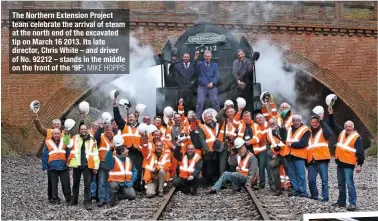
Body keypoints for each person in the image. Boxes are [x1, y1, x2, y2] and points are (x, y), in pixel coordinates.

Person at [328, 107, 364, 211]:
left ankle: (353, 203)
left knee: (349, 184)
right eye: (346, 126)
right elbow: (333, 125)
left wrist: (359, 164)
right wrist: (330, 114)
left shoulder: (356, 137)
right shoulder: (341, 132)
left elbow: (360, 152)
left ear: (353, 127)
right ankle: (342, 202)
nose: (347, 128)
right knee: (340, 184)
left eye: (349, 126)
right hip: (340, 163)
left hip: (349, 164)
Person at [65, 124, 100, 210]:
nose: (83, 130)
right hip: (77, 164)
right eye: (81, 129)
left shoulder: (93, 140)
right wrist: (66, 135)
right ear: (79, 130)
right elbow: (67, 143)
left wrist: (96, 166)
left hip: (88, 165)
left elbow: (95, 154)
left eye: (85, 129)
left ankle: (87, 201)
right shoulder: (75, 138)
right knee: (75, 183)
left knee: (87, 184)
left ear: (87, 130)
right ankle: (74, 200)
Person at [113, 100, 143, 192]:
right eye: (129, 117)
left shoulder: (141, 127)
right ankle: (127, 187)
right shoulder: (123, 126)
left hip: (138, 153)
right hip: (127, 152)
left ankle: (137, 188)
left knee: (137, 170)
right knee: (128, 169)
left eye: (132, 117)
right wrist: (115, 107)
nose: (131, 118)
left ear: (136, 118)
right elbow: (117, 118)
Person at [33, 113, 62, 203]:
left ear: (60, 125)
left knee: (60, 180)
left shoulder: (64, 133)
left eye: (58, 124)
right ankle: (51, 196)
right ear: (52, 125)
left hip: (61, 160)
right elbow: (40, 128)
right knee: (51, 180)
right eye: (55, 124)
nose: (56, 125)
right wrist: (36, 119)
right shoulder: (48, 131)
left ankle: (57, 196)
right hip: (50, 159)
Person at [307, 114, 333, 202]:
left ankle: (325, 198)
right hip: (311, 160)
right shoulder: (308, 132)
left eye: (316, 122)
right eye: (312, 122)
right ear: (310, 123)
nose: (314, 124)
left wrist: (322, 121)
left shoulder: (323, 131)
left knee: (324, 180)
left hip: (322, 159)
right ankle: (314, 196)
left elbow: (330, 133)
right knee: (311, 180)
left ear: (319, 123)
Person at [42, 128, 71, 205]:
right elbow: (45, 155)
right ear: (52, 134)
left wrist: (69, 163)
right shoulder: (48, 142)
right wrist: (45, 166)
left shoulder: (64, 140)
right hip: (52, 166)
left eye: (58, 133)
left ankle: (68, 198)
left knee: (66, 183)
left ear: (60, 134)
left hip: (63, 166)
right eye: (55, 133)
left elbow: (68, 152)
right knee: (54, 184)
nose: (56, 135)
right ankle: (55, 199)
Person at [285, 115, 310, 197]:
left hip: (299, 156)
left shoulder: (305, 130)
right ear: (292, 121)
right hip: (289, 155)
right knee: (292, 175)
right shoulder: (289, 129)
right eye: (294, 121)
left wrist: (291, 145)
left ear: (300, 121)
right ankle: (296, 190)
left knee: (300, 175)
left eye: (297, 120)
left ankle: (303, 191)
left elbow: (303, 143)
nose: (296, 122)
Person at [108, 135, 137, 206]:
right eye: (126, 149)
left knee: (132, 195)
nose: (128, 150)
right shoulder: (113, 159)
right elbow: (107, 160)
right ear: (122, 152)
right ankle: (112, 201)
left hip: (126, 183)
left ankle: (119, 195)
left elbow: (134, 171)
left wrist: (131, 181)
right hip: (115, 182)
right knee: (113, 186)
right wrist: (110, 150)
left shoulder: (128, 159)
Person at [194, 50, 220, 119]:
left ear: (211, 57)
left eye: (208, 56)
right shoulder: (200, 64)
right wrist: (196, 57)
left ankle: (218, 119)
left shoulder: (215, 65)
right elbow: (194, 66)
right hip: (202, 87)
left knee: (215, 102)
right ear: (204, 57)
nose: (207, 57)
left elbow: (217, 76)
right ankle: (198, 120)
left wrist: (213, 82)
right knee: (199, 103)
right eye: (206, 56)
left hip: (212, 87)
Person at [266, 117, 289, 196]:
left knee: (288, 171)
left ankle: (291, 188)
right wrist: (271, 154)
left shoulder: (282, 130)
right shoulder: (268, 133)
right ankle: (277, 189)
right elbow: (267, 146)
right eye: (270, 124)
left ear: (276, 122)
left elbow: (287, 140)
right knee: (275, 173)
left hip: (284, 154)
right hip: (275, 155)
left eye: (273, 123)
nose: (272, 125)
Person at [93, 123, 115, 207]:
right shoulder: (101, 137)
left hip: (111, 163)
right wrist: (100, 127)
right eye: (107, 130)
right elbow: (95, 138)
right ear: (104, 130)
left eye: (110, 130)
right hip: (102, 163)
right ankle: (102, 199)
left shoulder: (114, 138)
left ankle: (108, 198)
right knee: (101, 182)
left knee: (109, 182)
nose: (109, 132)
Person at [255, 113, 274, 190]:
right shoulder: (256, 127)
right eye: (257, 118)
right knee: (261, 168)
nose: (259, 119)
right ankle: (261, 184)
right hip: (261, 151)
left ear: (263, 118)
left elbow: (271, 117)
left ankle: (272, 185)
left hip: (268, 150)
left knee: (269, 168)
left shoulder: (268, 124)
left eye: (260, 117)